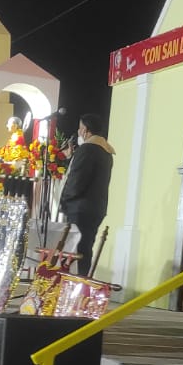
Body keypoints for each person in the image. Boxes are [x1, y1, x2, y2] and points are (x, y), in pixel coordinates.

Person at [59, 113, 115, 275]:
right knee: (85, 247)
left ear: (85, 130)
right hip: (95, 208)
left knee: (76, 248)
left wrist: (65, 201)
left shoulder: (88, 149)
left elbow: (77, 181)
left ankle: (77, 285)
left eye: (80, 127)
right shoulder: (105, 151)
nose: (78, 131)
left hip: (80, 208)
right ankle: (81, 283)